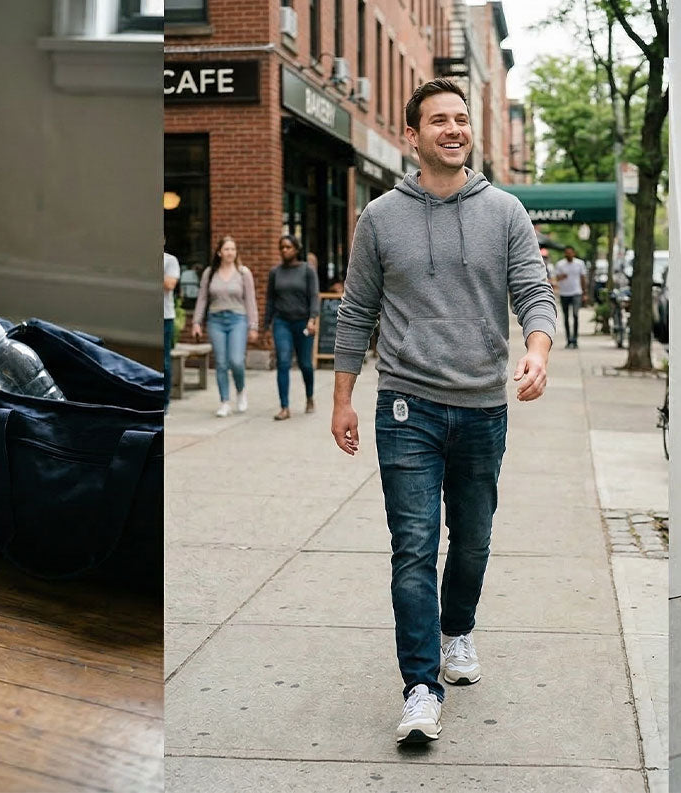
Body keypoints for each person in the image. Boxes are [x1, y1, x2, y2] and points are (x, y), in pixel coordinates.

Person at [330, 78, 556, 745]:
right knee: (413, 547)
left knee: (474, 540)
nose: (455, 129)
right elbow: (356, 311)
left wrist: (537, 352)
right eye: (440, 121)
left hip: (484, 406)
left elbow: (534, 295)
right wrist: (342, 397)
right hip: (406, 406)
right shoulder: (379, 218)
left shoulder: (506, 213)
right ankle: (420, 685)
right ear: (413, 135)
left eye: (462, 119)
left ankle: (458, 628)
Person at [191, 237, 259, 417]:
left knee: (236, 361)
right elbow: (203, 298)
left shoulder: (243, 273)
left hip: (238, 319)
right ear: (219, 252)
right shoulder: (210, 273)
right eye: (227, 249)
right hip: (215, 320)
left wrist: (253, 326)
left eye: (233, 249)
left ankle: (241, 389)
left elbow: (250, 301)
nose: (230, 252)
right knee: (220, 363)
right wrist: (197, 322)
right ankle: (224, 402)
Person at [265, 235, 320, 420]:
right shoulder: (275, 272)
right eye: (281, 247)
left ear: (297, 249)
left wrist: (313, 319)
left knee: (305, 364)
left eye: (288, 247)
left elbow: (314, 296)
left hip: (302, 322)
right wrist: (266, 325)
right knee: (283, 362)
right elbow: (270, 300)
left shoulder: (307, 270)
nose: (284, 250)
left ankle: (310, 396)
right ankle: (284, 407)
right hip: (282, 322)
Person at [554, 246, 587, 349]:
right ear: (565, 254)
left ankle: (575, 339)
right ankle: (568, 340)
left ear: (574, 253)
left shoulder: (579, 263)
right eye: (567, 253)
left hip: (576, 292)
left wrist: (584, 293)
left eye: (570, 253)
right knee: (566, 317)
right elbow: (556, 278)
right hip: (564, 293)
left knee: (576, 315)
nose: (568, 254)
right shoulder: (560, 264)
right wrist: (561, 277)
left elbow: (583, 278)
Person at [163, 249, 180, 417]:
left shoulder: (170, 260)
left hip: (165, 317)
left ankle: (164, 402)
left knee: (164, 361)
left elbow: (169, 284)